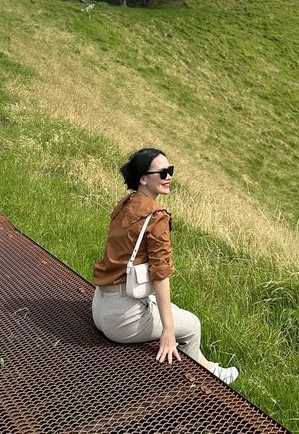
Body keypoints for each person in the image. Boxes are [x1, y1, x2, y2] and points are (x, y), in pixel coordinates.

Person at [92, 147, 239, 385]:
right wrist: (168, 333)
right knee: (191, 325)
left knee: (172, 307)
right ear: (143, 178)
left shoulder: (125, 204)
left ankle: (207, 366)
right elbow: (160, 275)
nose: (168, 177)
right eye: (162, 173)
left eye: (170, 171)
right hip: (121, 319)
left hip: (100, 306)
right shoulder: (156, 216)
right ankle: (206, 380)